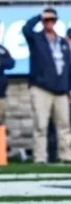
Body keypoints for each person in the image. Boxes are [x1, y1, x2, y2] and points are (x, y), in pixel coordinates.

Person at [22, 9, 71, 164]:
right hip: (41, 87)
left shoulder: (62, 42)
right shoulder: (36, 38)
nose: (49, 22)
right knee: (41, 125)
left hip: (61, 89)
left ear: (56, 21)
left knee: (64, 125)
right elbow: (26, 29)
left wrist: (68, 87)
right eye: (46, 19)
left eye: (52, 19)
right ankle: (40, 157)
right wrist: (38, 16)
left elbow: (68, 66)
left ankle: (66, 156)